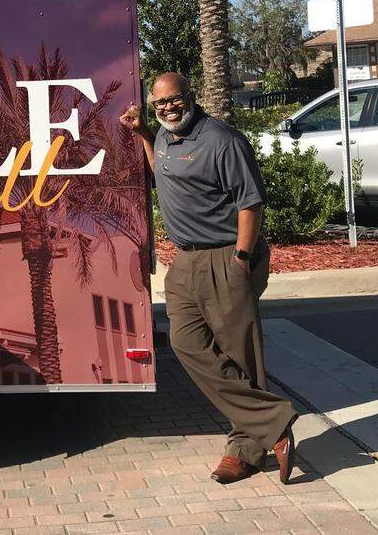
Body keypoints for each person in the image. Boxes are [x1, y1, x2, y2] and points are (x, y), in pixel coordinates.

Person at [120, 72, 296, 485]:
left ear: (191, 97)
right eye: (160, 103)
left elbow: (250, 203)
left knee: (240, 355)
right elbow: (160, 170)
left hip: (224, 256)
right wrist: (144, 133)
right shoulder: (163, 137)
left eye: (174, 100)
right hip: (184, 262)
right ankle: (275, 419)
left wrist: (240, 260)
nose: (168, 108)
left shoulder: (222, 140)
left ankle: (246, 450)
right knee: (185, 344)